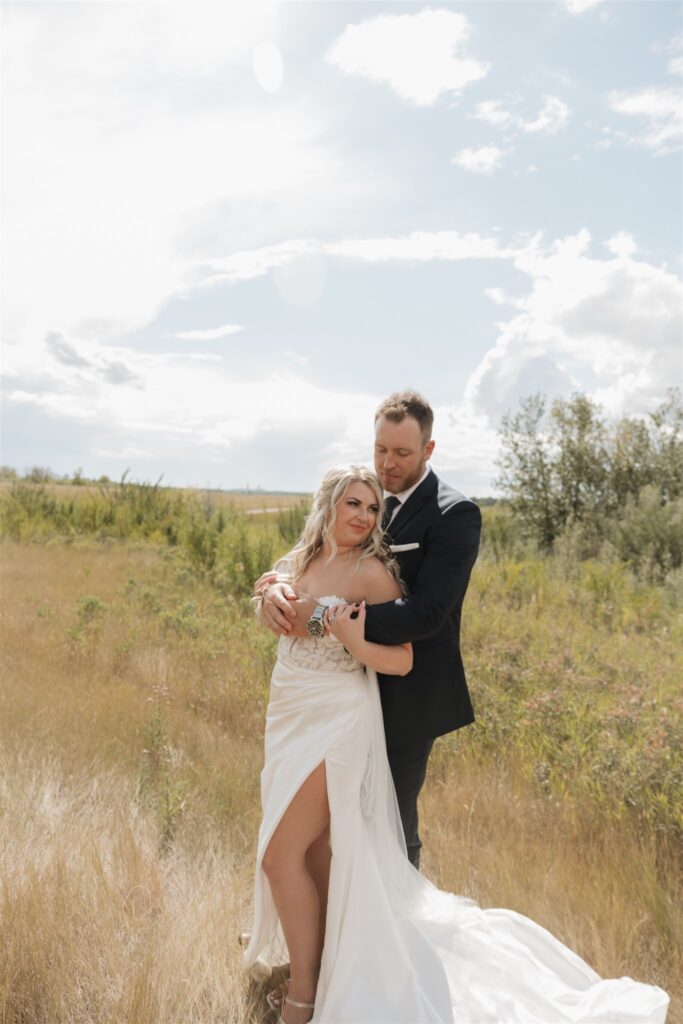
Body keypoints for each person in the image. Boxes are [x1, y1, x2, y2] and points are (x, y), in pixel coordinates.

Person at [243, 463, 668, 1023]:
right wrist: (267, 590)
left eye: (372, 508)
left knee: (280, 855)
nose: (364, 516)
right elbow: (273, 592)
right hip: (290, 715)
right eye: (354, 504)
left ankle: (303, 996)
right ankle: (326, 968)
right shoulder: (295, 564)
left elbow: (402, 659)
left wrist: (350, 635)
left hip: (337, 721)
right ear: (327, 504)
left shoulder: (372, 574)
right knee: (320, 856)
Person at [258, 391, 481, 869]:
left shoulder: (454, 515)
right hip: (341, 691)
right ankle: (330, 930)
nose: (388, 462)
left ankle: (401, 932)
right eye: (381, 448)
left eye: (402, 452)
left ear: (429, 449)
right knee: (333, 823)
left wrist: (324, 618)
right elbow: (327, 551)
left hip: (409, 693)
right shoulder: (367, 495)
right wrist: (276, 586)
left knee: (391, 825)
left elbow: (427, 613)